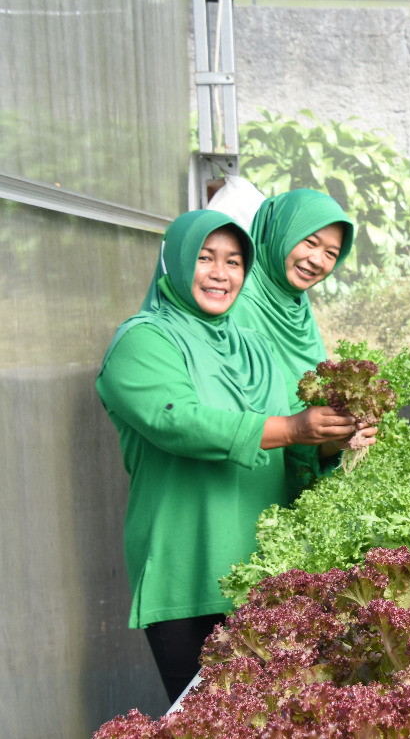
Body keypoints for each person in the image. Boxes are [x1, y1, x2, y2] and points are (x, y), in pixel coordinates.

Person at [96, 211, 365, 702]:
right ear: (174, 262)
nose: (221, 273)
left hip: (270, 571)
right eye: (204, 258)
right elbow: (176, 421)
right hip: (190, 571)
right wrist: (290, 428)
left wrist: (334, 435)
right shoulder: (143, 339)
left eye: (234, 262)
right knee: (206, 721)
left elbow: (295, 436)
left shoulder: (255, 347)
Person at [230, 188, 354, 488]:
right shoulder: (236, 300)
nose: (317, 260)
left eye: (331, 254)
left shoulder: (297, 305)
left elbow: (303, 415)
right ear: (280, 232)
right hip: (240, 479)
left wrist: (339, 433)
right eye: (309, 242)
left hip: (286, 481)